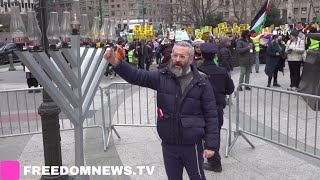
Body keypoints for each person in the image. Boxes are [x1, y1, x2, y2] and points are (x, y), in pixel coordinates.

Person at [104, 41, 220, 180]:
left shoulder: (201, 81)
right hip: (169, 143)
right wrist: (115, 62)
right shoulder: (162, 76)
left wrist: (211, 145)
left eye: (182, 57)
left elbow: (211, 114)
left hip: (192, 144)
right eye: (175, 55)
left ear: (191, 59)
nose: (177, 60)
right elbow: (137, 76)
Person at [198, 43, 235, 172]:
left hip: (199, 108)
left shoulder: (197, 71)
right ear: (215, 55)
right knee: (214, 134)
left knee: (200, 134)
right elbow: (230, 89)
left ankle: (213, 162)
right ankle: (213, 161)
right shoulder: (222, 71)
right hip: (217, 108)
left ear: (201, 55)